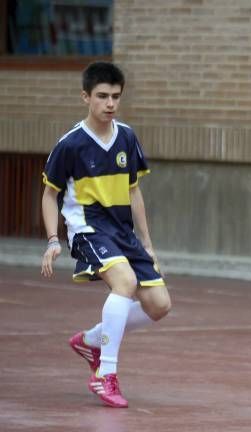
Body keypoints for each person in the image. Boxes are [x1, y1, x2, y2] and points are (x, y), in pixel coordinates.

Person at [40, 61, 171, 409]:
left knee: (159, 305)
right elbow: (50, 194)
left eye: (115, 96)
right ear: (86, 97)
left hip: (122, 231)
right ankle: (105, 375)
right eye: (102, 96)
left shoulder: (126, 136)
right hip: (87, 228)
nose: (109, 103)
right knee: (124, 283)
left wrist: (147, 244)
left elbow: (134, 192)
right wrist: (54, 240)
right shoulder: (70, 144)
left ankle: (92, 340)